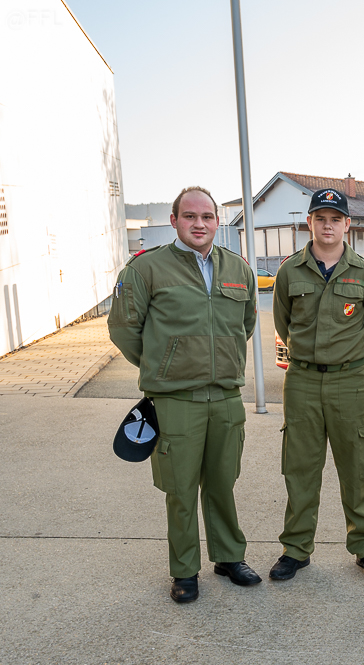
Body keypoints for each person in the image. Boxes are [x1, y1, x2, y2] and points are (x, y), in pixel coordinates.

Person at [108, 186, 260, 603]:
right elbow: (124, 328)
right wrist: (163, 365)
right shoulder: (146, 269)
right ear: (174, 220)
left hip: (226, 397)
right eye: (190, 216)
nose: (199, 224)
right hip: (175, 401)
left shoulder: (238, 269)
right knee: (180, 490)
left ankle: (229, 557)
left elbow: (245, 325)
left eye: (207, 216)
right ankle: (185, 570)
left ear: (217, 222)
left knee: (223, 483)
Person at [269, 188, 364, 582]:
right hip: (302, 381)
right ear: (310, 222)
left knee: (356, 467)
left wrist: (347, 354)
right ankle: (296, 549)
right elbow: (283, 322)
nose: (328, 225)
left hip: (349, 382)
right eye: (320, 218)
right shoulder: (290, 271)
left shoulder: (363, 273)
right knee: (300, 469)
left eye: (336, 219)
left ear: (347, 225)